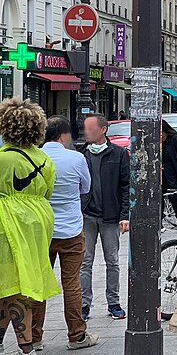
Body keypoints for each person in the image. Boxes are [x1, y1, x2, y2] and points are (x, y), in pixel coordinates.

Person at [31, 116, 99, 350]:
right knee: (71, 284)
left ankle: (34, 337)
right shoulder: (76, 158)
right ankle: (76, 335)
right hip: (70, 229)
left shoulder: (33, 157)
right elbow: (86, 188)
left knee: (38, 283)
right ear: (63, 135)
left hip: (41, 230)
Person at [0, 98, 59, 355]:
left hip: (7, 223)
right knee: (15, 287)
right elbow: (47, 192)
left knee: (10, 285)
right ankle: (21, 346)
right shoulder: (45, 159)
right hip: (38, 223)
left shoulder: (3, 159)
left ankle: (23, 346)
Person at [80, 114, 130, 321]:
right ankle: (84, 304)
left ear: (103, 130)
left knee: (113, 261)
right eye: (85, 128)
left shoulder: (118, 154)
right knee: (85, 262)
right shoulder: (81, 155)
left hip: (110, 216)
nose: (86, 132)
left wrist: (124, 215)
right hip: (87, 216)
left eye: (90, 129)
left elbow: (126, 185)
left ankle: (114, 302)